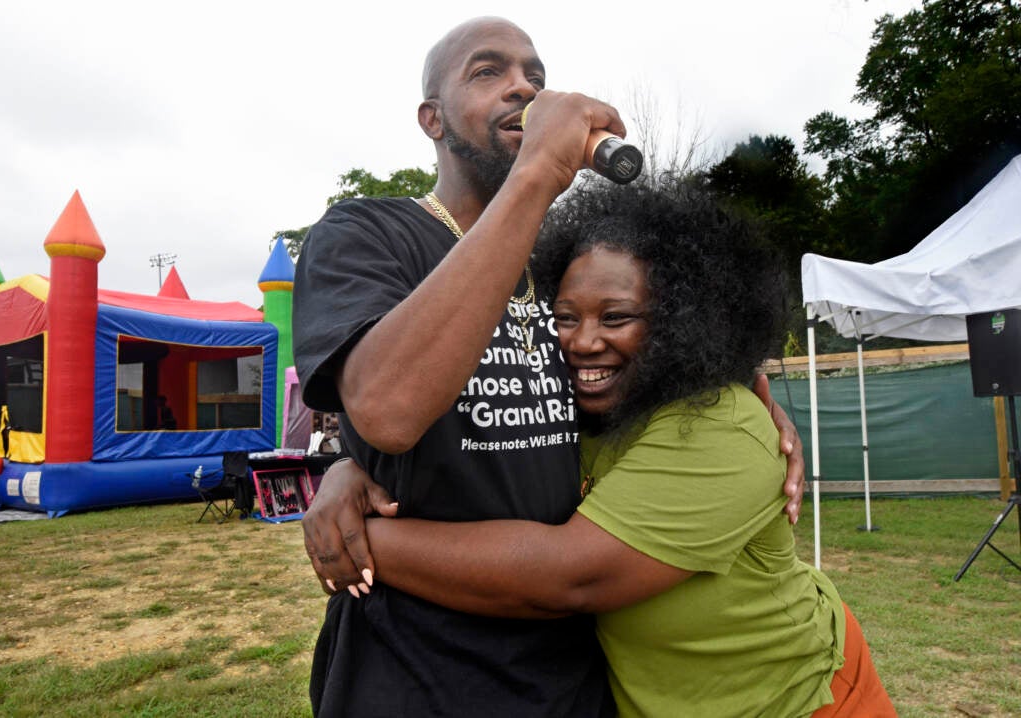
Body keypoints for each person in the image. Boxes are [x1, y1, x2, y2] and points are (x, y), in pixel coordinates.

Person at [293, 17, 804, 717]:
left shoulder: (556, 268)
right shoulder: (366, 233)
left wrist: (738, 381)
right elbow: (386, 411)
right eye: (488, 72)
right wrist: (351, 465)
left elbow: (632, 356)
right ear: (432, 119)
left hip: (565, 679)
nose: (523, 90)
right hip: (411, 672)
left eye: (535, 74)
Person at [342, 180, 896, 717]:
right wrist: (347, 468)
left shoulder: (723, 425)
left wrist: (360, 541)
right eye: (564, 317)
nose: (582, 342)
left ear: (684, 322)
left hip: (802, 701)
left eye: (617, 317)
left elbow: (570, 577)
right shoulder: (579, 411)